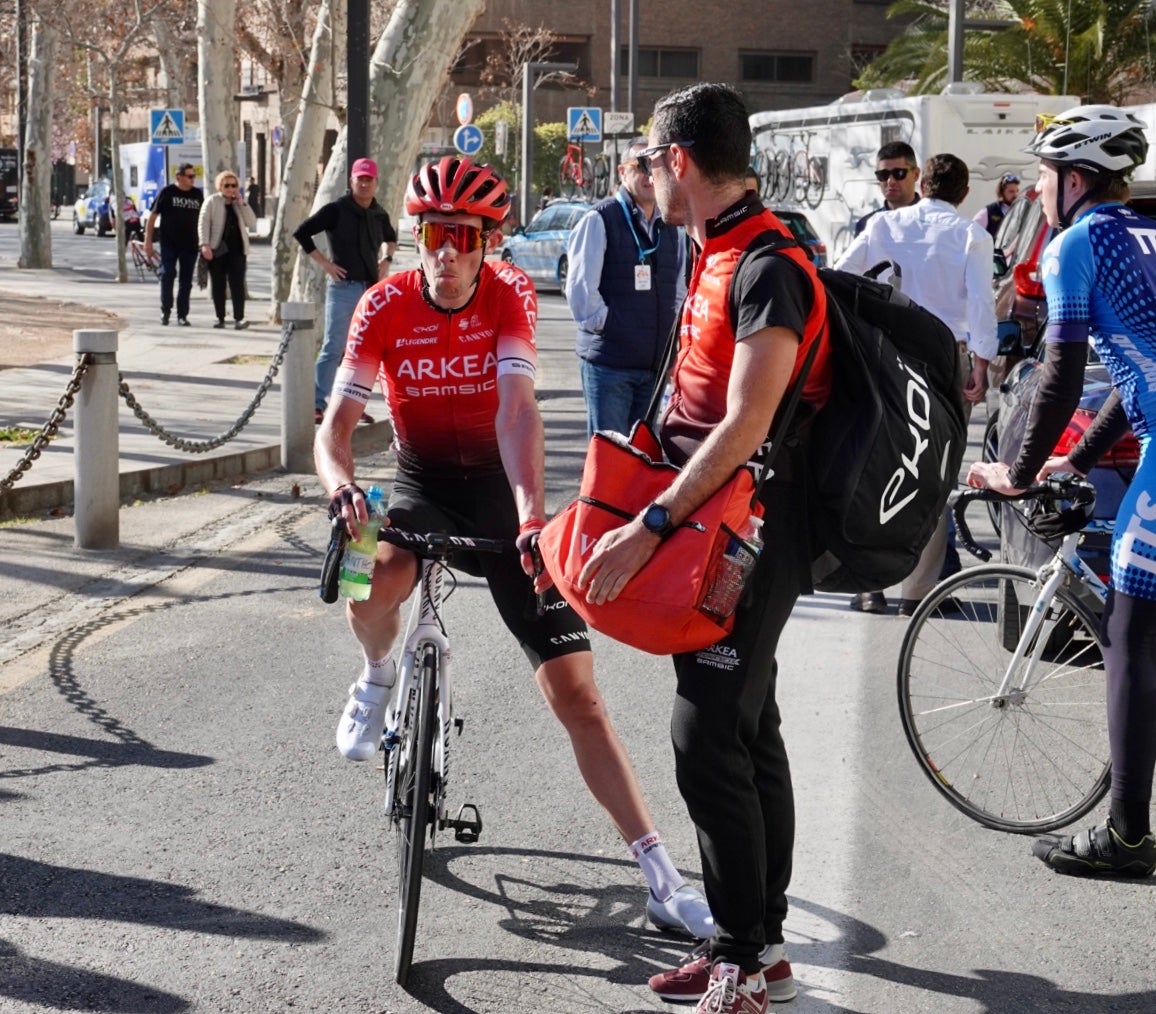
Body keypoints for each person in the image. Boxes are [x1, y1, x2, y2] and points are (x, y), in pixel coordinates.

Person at [313, 155, 714, 942]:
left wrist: (532, 517)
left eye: (466, 237)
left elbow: (518, 411)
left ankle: (662, 878)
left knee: (580, 699)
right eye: (435, 234)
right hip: (419, 486)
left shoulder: (511, 294)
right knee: (364, 567)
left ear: (489, 242)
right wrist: (340, 487)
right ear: (417, 237)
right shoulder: (381, 304)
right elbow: (334, 429)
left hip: (503, 502)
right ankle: (375, 673)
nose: (449, 252)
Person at [577, 84, 832, 1013]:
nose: (644, 177)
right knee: (747, 728)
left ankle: (740, 960)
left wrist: (651, 529)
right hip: (726, 522)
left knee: (708, 733)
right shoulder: (716, 247)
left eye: (649, 159)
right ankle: (758, 950)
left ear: (680, 161)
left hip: (756, 530)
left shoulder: (768, 264)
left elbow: (746, 423)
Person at [966, 105, 1156, 879]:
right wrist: (1075, 457)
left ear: (1075, 180)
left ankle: (1127, 838)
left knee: (1129, 638)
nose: (1038, 191)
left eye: (1044, 175)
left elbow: (1064, 370)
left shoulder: (1075, 244)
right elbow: (1132, 360)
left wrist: (1015, 471)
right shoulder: (1150, 231)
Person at [837, 153, 996, 616]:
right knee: (934, 470)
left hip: (888, 355)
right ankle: (918, 593)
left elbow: (841, 275)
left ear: (922, 184)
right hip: (947, 358)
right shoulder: (972, 235)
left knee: (876, 461)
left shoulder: (886, 227)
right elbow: (982, 305)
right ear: (965, 194)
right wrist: (982, 364)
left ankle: (869, 585)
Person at [565, 138, 687, 440]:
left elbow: (679, 292)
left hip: (653, 368)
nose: (648, 176)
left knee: (640, 461)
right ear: (622, 171)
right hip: (610, 366)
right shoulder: (600, 219)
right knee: (609, 462)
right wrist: (613, 327)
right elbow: (581, 293)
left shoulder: (673, 226)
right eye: (639, 166)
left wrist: (673, 348)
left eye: (655, 167)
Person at [294, 157, 397, 424]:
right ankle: (316, 403)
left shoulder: (378, 213)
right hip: (343, 288)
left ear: (376, 182)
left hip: (369, 290)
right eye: (359, 179)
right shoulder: (336, 210)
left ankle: (352, 404)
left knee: (361, 350)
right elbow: (302, 232)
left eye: (368, 179)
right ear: (351, 181)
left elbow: (391, 238)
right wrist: (326, 264)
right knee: (334, 345)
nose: (364, 184)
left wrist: (386, 260)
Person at [197, 170, 257, 330]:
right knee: (218, 284)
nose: (231, 188)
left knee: (237, 284)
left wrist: (242, 203)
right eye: (227, 185)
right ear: (220, 186)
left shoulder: (239, 204)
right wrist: (204, 244)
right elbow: (203, 223)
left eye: (234, 185)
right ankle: (220, 318)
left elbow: (251, 222)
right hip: (217, 250)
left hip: (237, 251)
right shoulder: (212, 201)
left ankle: (239, 318)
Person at [145, 163, 203, 327]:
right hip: (169, 243)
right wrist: (147, 240)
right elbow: (153, 217)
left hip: (190, 244)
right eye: (190, 176)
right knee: (167, 274)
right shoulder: (167, 192)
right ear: (179, 177)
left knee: (186, 281)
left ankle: (182, 315)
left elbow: (204, 219)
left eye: (194, 176)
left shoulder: (197, 195)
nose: (193, 179)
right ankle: (166, 311)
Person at [854, 141, 920, 236]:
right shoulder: (866, 226)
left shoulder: (933, 222)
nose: (890, 181)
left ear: (916, 174)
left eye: (899, 173)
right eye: (883, 175)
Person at [973, 172, 1022, 238]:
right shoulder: (989, 212)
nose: (1015, 195)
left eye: (1017, 191)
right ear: (1002, 192)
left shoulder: (1022, 211)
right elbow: (972, 233)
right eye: (1011, 191)